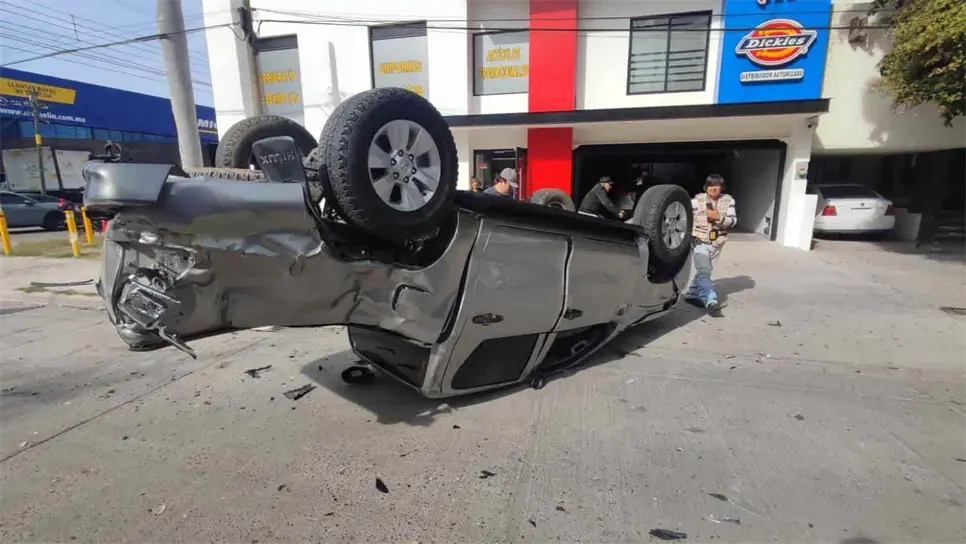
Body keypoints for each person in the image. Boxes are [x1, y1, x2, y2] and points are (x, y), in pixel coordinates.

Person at [684, 174, 737, 317]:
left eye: (717, 185)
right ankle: (711, 301)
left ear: (722, 187)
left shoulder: (729, 201)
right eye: (710, 185)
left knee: (705, 272)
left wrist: (719, 218)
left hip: (717, 242)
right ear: (706, 187)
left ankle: (692, 295)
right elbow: (684, 219)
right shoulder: (695, 202)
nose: (713, 188)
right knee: (704, 271)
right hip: (699, 241)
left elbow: (733, 221)